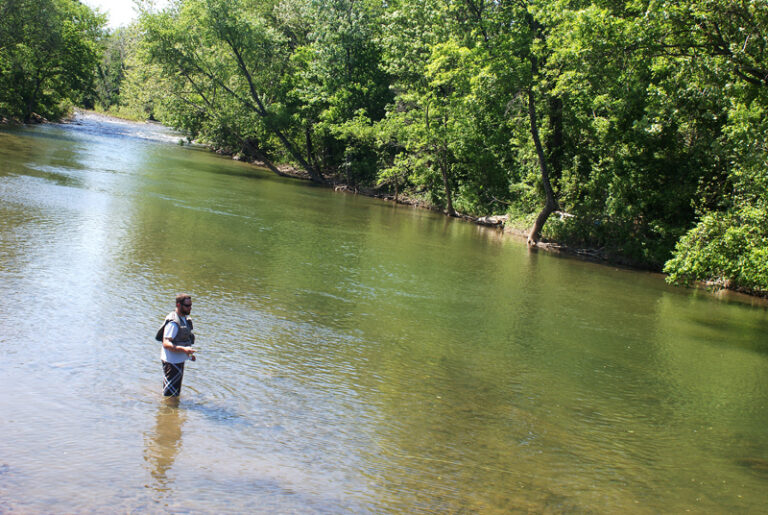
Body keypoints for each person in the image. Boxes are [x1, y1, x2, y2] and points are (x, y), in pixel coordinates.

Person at [160, 294, 197, 397]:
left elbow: (184, 340)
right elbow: (166, 343)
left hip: (179, 360)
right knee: (169, 395)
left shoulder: (184, 318)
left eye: (190, 305)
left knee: (175, 393)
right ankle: (168, 411)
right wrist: (184, 350)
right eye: (187, 306)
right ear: (178, 305)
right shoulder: (173, 323)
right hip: (171, 362)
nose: (190, 308)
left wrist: (189, 355)